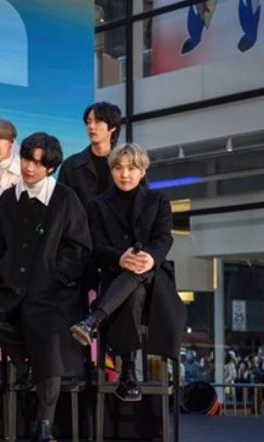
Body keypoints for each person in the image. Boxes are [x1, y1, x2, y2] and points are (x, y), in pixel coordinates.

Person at [0, 132, 91, 442]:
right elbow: (3, 245)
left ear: (50, 168)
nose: (29, 167)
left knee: (48, 337)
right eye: (26, 159)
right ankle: (25, 364)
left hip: (53, 289)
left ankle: (44, 424)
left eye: (37, 162)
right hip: (11, 283)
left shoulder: (65, 198)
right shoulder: (9, 198)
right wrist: (4, 274)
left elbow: (78, 248)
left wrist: (56, 276)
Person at [70, 143, 186, 403]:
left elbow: (164, 237)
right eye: (119, 168)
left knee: (137, 274)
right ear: (111, 171)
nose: (125, 174)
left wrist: (150, 258)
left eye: (132, 168)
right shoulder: (97, 205)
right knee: (132, 294)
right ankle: (129, 372)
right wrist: (119, 258)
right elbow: (96, 246)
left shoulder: (158, 200)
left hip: (154, 280)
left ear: (142, 171)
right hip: (116, 276)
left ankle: (94, 321)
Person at [59, 102, 122, 209]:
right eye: (89, 122)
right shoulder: (71, 165)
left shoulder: (127, 163)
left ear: (112, 127)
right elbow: (62, 205)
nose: (91, 127)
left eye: (97, 122)